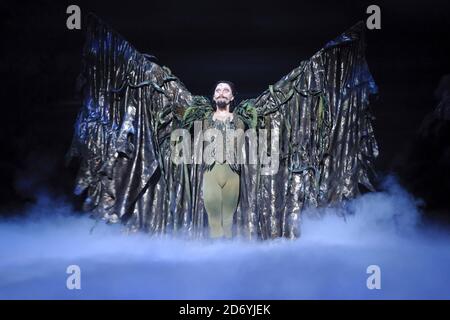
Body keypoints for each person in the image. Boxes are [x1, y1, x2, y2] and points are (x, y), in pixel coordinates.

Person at [67, 14, 379, 240]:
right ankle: (210, 262)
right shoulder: (198, 117)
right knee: (212, 219)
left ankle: (228, 265)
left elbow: (279, 106)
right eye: (217, 90)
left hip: (232, 174)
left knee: (227, 222)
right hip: (208, 173)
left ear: (232, 96)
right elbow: (169, 103)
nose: (220, 93)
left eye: (225, 90)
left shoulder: (245, 119)